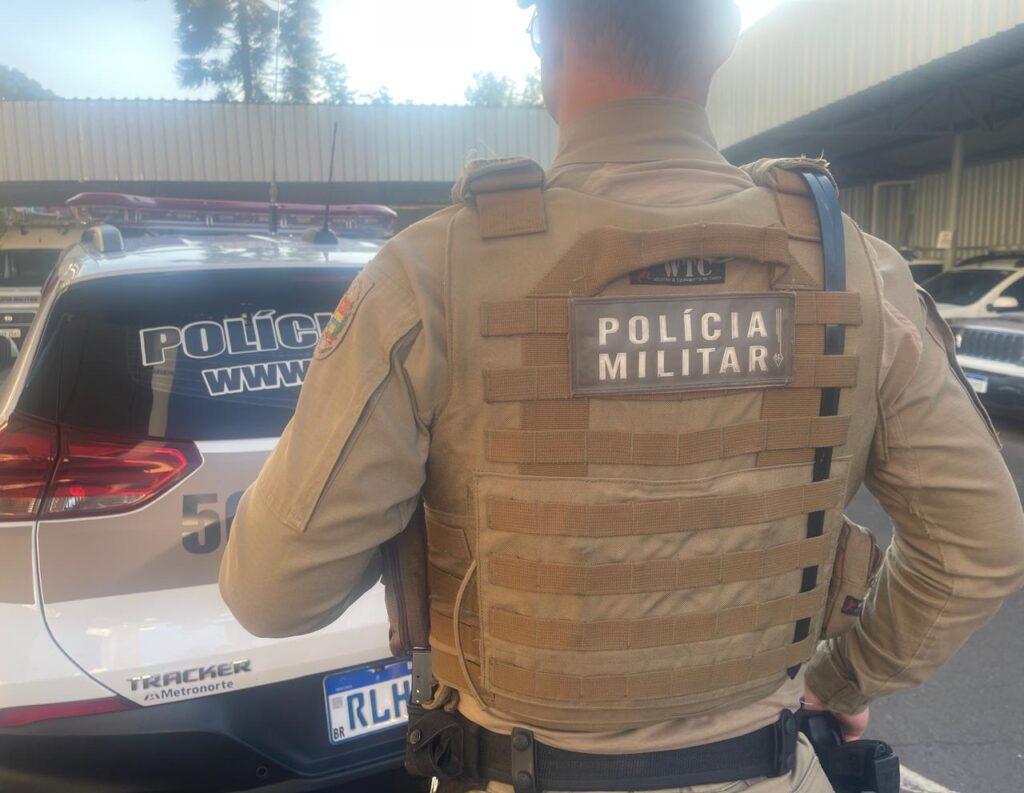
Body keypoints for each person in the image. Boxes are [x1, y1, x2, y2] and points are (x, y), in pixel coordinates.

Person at [219, 2, 1024, 791]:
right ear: (722, 39)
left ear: (550, 39)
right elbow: (981, 544)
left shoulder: (431, 275)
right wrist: (843, 676)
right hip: (767, 765)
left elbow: (272, 593)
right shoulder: (859, 271)